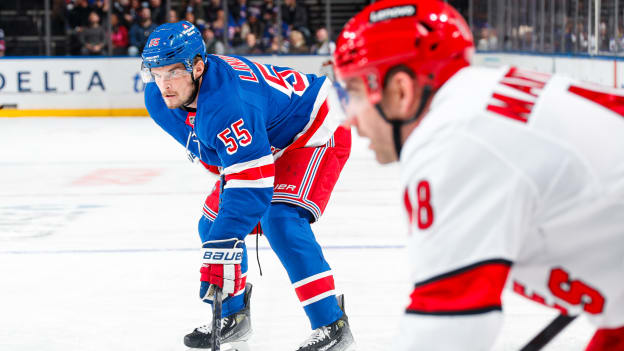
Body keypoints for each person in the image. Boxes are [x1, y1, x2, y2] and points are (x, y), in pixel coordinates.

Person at [333, 0, 624, 350]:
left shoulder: (453, 142)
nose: (347, 117)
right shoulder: (477, 101)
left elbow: (446, 332)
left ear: (400, 90)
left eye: (353, 92)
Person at [141, 21, 356, 351]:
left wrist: (224, 242)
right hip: (266, 138)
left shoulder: (229, 102)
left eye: (173, 72)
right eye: (155, 73)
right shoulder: (158, 99)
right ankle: (233, 316)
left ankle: (331, 323)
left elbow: (251, 183)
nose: (164, 84)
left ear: (198, 66)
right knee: (211, 222)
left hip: (314, 128)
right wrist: (223, 237)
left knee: (280, 220)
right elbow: (215, 157)